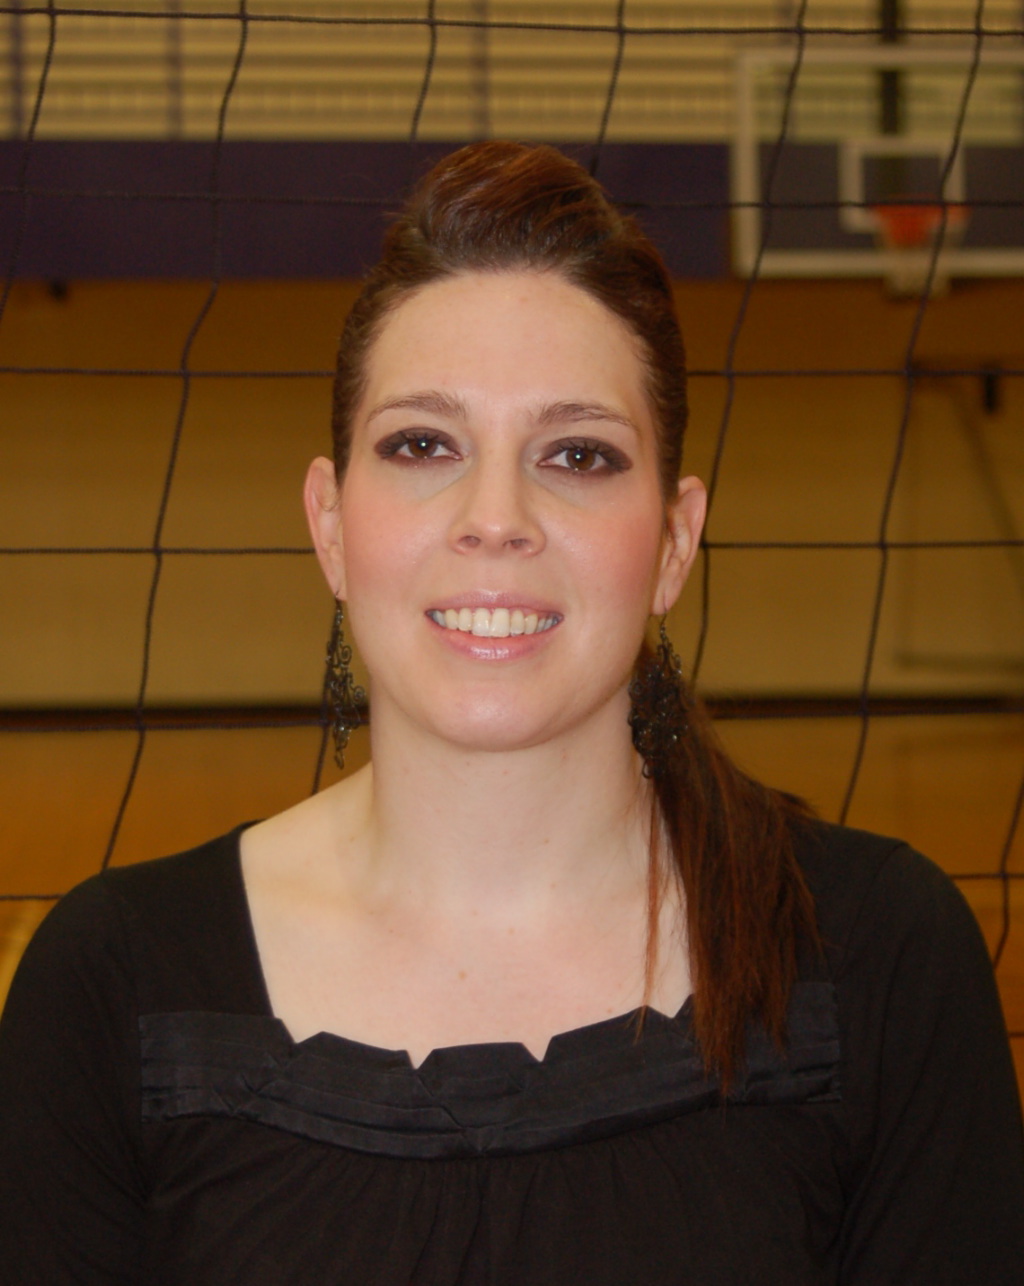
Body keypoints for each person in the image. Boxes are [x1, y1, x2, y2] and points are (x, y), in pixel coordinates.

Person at [1, 141, 1022, 1284]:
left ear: (674, 539)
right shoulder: (111, 983)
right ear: (330, 524)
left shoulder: (881, 956)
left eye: (577, 453)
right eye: (422, 444)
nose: (495, 516)